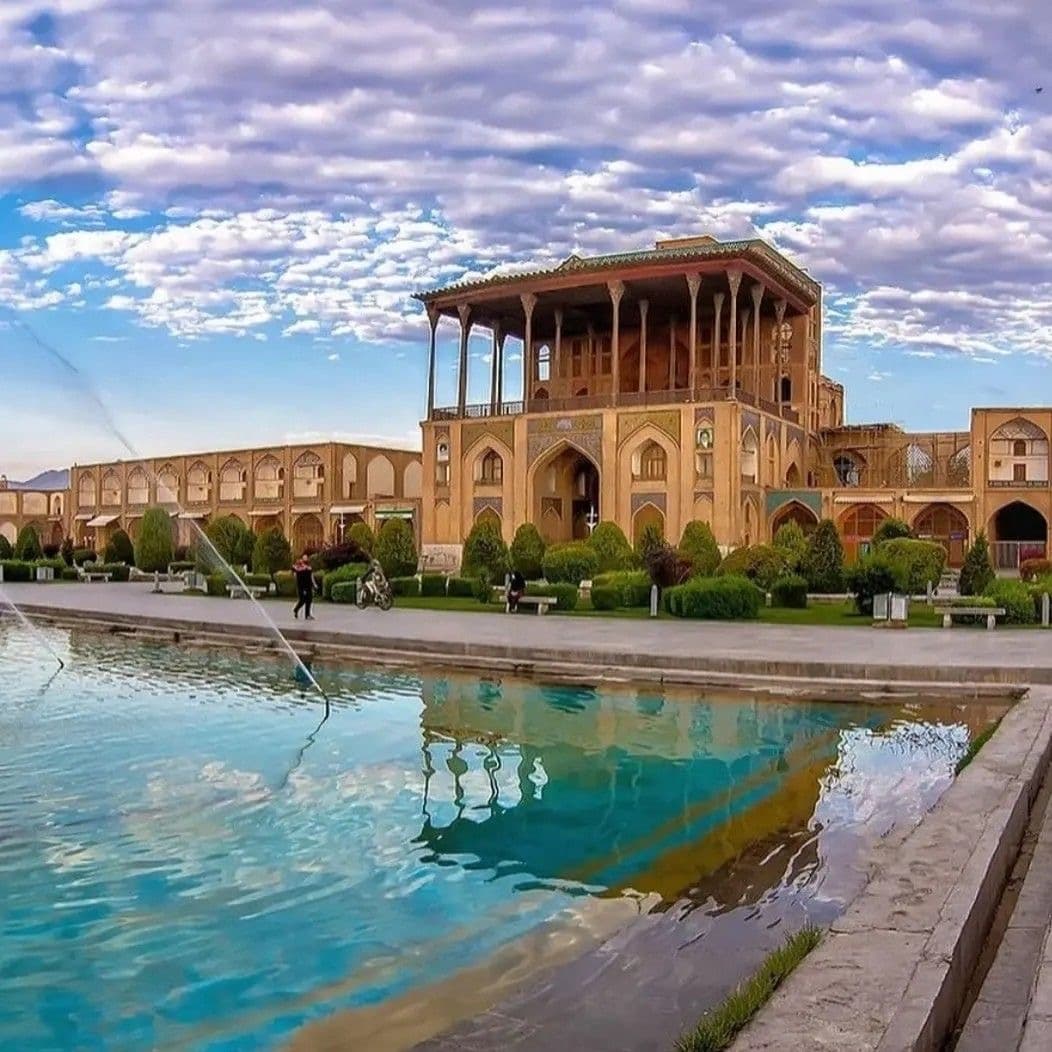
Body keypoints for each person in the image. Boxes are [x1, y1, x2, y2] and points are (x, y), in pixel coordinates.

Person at [292, 553, 315, 620]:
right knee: (302, 600)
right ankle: (296, 609)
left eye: (306, 557)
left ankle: (307, 615)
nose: (305, 558)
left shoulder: (309, 567)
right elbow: (296, 576)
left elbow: (311, 576)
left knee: (309, 600)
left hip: (308, 586)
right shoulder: (298, 568)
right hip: (302, 587)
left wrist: (314, 584)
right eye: (304, 557)